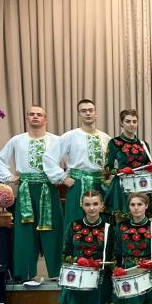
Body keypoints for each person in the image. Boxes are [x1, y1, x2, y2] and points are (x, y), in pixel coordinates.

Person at [0, 105, 63, 282]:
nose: (35, 117)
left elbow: (72, 161)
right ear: (27, 118)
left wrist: (62, 177)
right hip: (26, 189)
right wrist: (9, 177)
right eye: (31, 114)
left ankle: (57, 272)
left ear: (45, 119)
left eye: (39, 114)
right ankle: (25, 274)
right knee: (25, 232)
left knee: (53, 230)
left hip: (48, 188)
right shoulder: (17, 140)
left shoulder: (57, 140)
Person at [43, 99, 110, 232]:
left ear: (95, 113)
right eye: (83, 111)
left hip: (100, 185)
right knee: (75, 222)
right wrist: (63, 178)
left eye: (90, 110)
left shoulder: (105, 138)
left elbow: (113, 162)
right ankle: (73, 246)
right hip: (77, 184)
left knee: (101, 223)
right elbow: (49, 157)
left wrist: (110, 178)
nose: (88, 113)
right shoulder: (70, 136)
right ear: (79, 114)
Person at [104, 109, 152, 219]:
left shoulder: (143, 144)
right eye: (128, 121)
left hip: (142, 186)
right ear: (121, 123)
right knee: (122, 222)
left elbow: (148, 164)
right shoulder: (114, 142)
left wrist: (151, 168)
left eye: (134, 121)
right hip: (122, 186)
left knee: (142, 221)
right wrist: (120, 171)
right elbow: (108, 167)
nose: (131, 124)